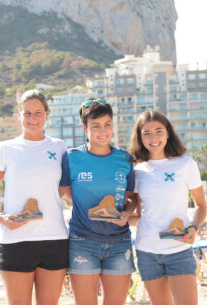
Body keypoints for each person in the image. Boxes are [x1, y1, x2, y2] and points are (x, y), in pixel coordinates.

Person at [0, 89, 69, 305]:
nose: (32, 118)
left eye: (38, 112)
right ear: (18, 115)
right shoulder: (6, 149)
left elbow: (65, 189)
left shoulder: (60, 147)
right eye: (27, 113)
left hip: (54, 239)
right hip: (15, 241)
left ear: (47, 114)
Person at [59, 99, 137, 305]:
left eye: (107, 124)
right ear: (85, 128)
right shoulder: (71, 158)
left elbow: (132, 197)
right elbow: (66, 192)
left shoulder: (125, 159)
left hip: (120, 243)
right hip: (82, 242)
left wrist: (127, 214)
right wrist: (88, 205)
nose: (103, 131)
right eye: (96, 126)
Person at [129, 111, 207, 305]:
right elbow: (139, 215)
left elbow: (201, 206)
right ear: (140, 137)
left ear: (168, 133)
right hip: (146, 251)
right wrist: (116, 218)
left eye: (159, 131)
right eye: (146, 133)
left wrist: (194, 228)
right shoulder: (137, 171)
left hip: (179, 250)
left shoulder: (185, 165)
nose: (153, 138)